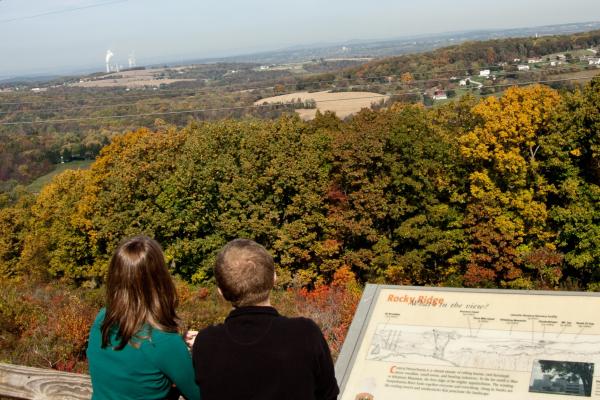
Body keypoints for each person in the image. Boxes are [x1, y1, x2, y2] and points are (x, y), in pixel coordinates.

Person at [191, 238, 339, 400]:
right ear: (274, 278)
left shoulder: (206, 343)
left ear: (221, 291)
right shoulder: (305, 334)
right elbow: (329, 395)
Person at [87, 236, 201, 400]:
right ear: (160, 280)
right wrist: (202, 351)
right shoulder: (163, 341)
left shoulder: (102, 320)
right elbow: (200, 394)